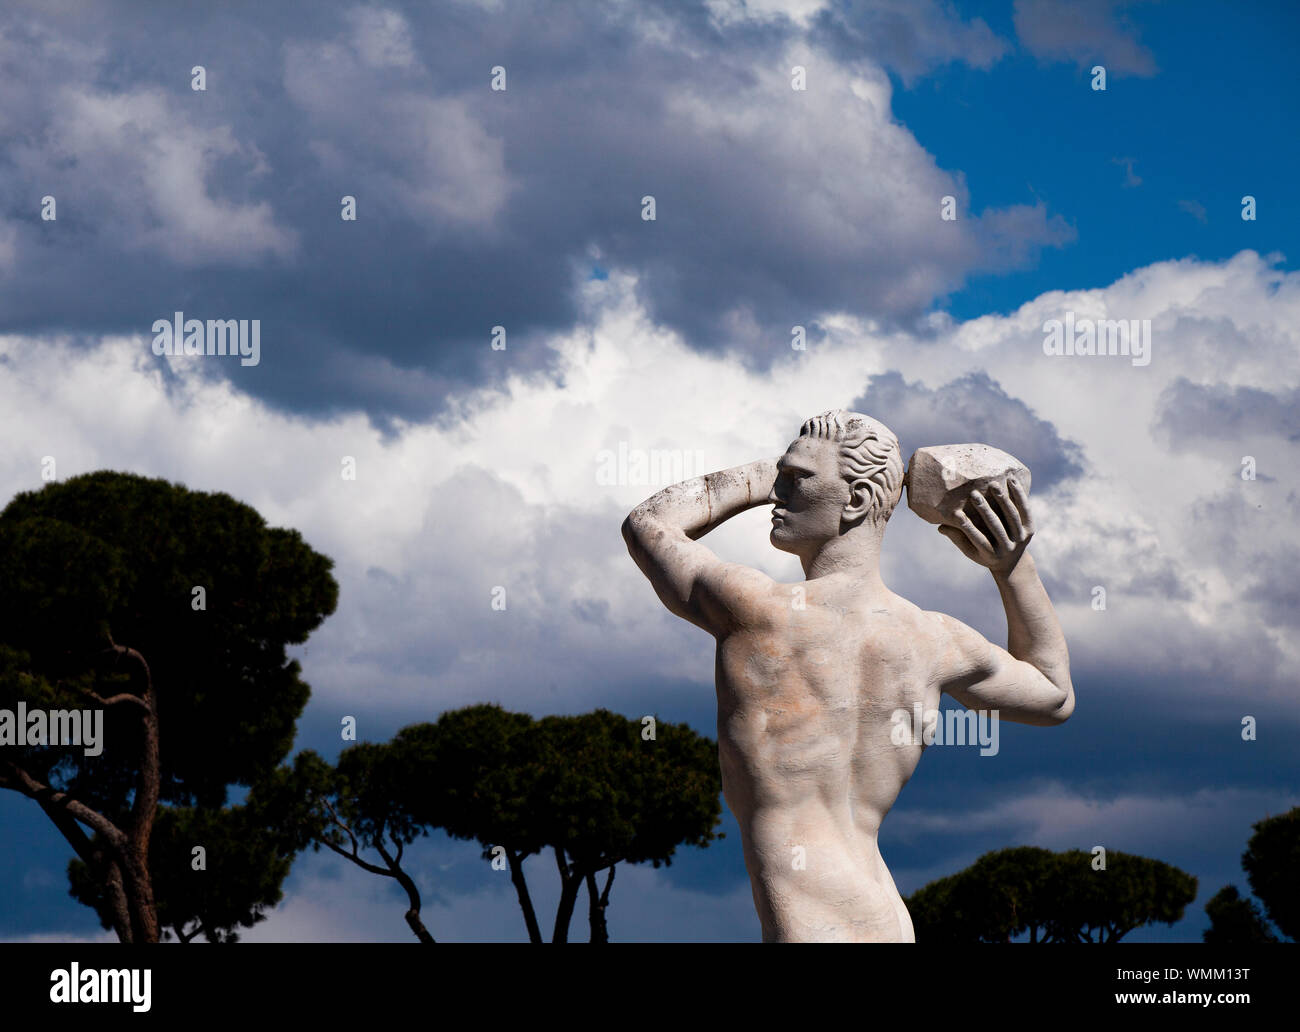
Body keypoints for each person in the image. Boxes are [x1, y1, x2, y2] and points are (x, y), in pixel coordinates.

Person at [622, 410, 1074, 942]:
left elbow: (649, 523)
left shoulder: (757, 607)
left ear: (856, 501)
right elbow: (1054, 694)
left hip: (809, 926)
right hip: (886, 920)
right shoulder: (934, 638)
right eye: (779, 479)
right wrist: (1012, 565)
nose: (777, 494)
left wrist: (757, 474)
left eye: (796, 480)